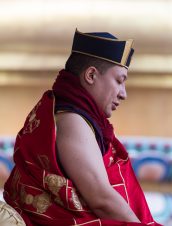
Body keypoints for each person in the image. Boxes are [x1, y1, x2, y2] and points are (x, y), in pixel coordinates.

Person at [3, 29, 162, 226]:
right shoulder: (72, 121)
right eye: (119, 81)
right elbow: (101, 199)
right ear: (91, 75)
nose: (123, 94)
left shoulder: (74, 117)